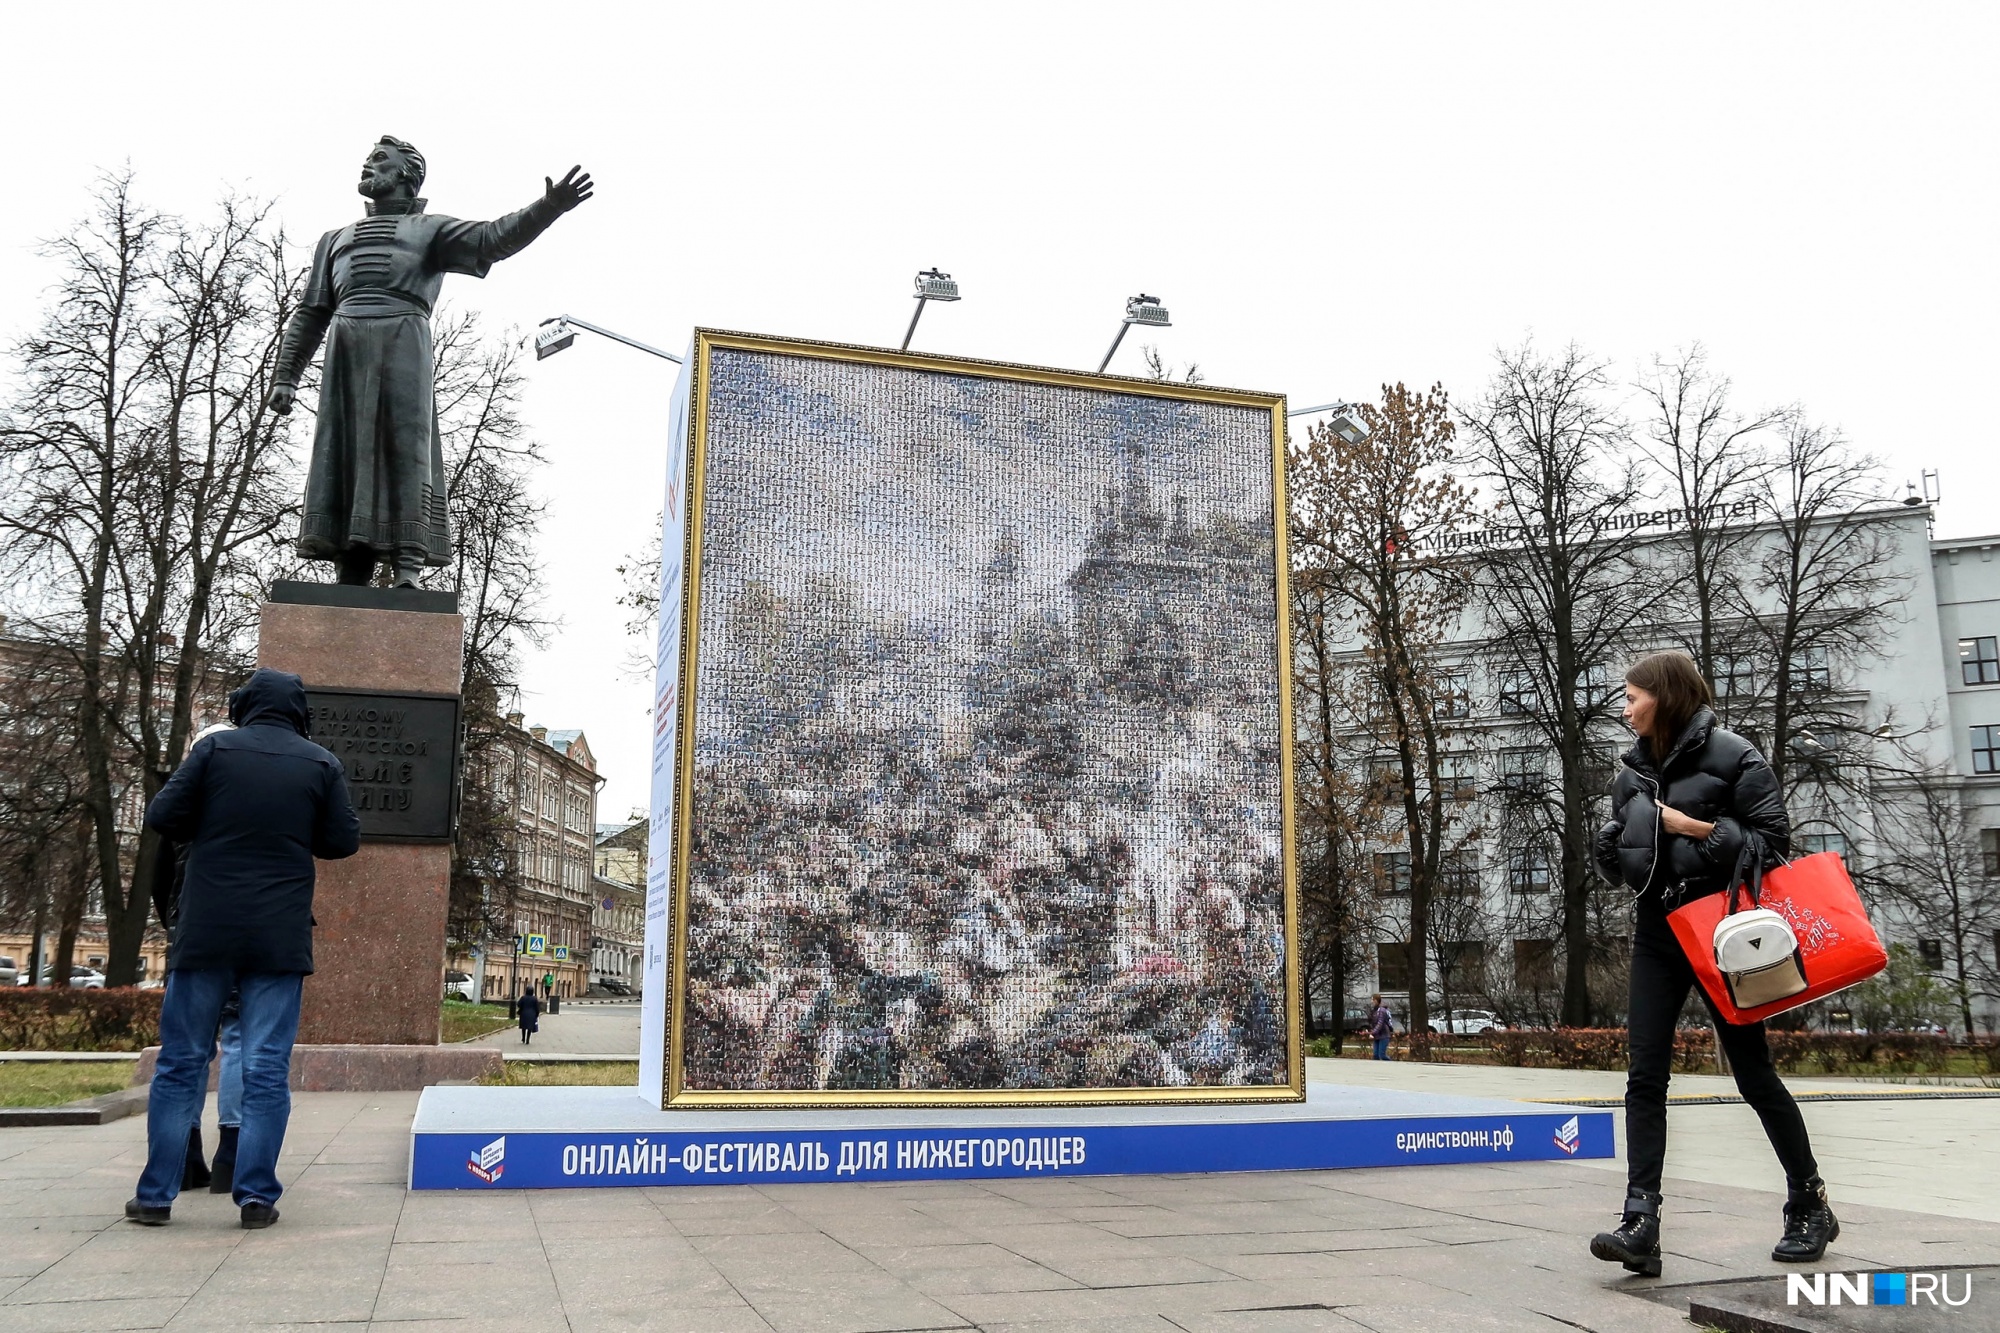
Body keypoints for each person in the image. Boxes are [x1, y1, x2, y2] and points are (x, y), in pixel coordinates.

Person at [1590, 651, 1835, 1277]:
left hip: (1727, 931)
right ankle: (1640, 1221)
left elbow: (1773, 847)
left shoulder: (1734, 755)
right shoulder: (1632, 773)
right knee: (1645, 1076)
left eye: (1632, 696)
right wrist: (1609, 850)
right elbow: (1632, 865)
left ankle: (1808, 1200)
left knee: (1752, 1074)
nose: (1624, 707)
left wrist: (1695, 829)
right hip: (1658, 932)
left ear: (1664, 697)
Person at [126, 669, 360, 1230]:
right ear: (299, 711)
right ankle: (256, 1196)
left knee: (181, 1063)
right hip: (278, 937)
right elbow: (342, 841)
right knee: (264, 1066)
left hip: (207, 930)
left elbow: (162, 815)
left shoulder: (214, 751)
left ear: (244, 705)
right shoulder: (321, 763)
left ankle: (156, 1196)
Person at [1368, 994, 1393, 1061]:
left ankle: (1392, 1064)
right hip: (1377, 1035)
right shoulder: (1374, 1011)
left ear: (1376, 1000)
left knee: (1382, 1055)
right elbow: (1373, 1023)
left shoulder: (1382, 1011)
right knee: (1375, 1055)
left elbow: (1380, 1024)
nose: (1371, 1001)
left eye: (1372, 1000)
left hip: (1384, 1035)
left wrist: (1372, 1033)